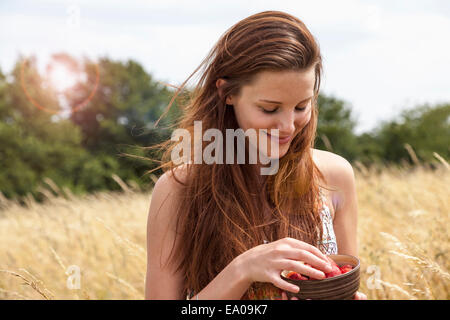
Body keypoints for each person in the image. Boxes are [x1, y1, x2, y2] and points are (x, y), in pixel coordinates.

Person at [145, 10, 367, 300]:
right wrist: (243, 270)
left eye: (302, 106)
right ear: (227, 93)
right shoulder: (180, 190)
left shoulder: (334, 177)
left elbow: (342, 285)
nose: (288, 126)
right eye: (269, 109)